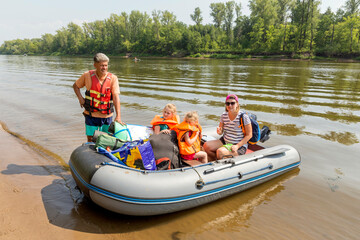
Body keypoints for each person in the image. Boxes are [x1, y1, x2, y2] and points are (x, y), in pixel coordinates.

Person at [73, 53, 123, 142]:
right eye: (101, 65)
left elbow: (116, 97)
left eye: (106, 65)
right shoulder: (87, 75)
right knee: (91, 139)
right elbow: (75, 86)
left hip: (107, 116)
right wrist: (80, 98)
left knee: (106, 139)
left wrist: (118, 116)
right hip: (91, 114)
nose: (104, 68)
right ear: (95, 65)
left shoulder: (113, 78)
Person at [203, 94, 252, 161]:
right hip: (225, 141)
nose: (230, 105)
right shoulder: (224, 115)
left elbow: (249, 135)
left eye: (232, 103)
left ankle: (221, 163)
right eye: (227, 103)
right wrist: (219, 131)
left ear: (237, 104)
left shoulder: (243, 117)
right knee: (206, 146)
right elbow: (221, 132)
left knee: (220, 152)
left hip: (238, 145)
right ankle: (216, 161)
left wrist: (237, 146)